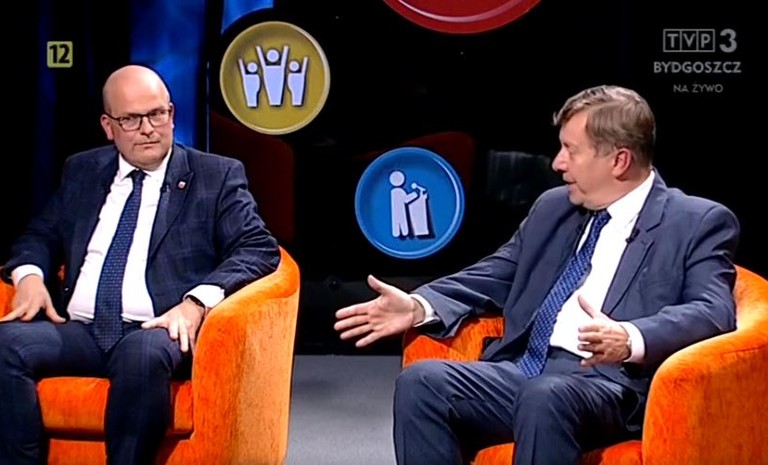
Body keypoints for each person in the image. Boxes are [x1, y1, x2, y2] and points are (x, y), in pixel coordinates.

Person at [334, 85, 739, 465]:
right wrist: (419, 305)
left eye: (570, 151)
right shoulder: (554, 207)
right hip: (525, 371)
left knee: (545, 396)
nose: (557, 163)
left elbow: (713, 310)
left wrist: (630, 337)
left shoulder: (695, 221)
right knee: (422, 383)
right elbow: (498, 272)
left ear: (619, 161)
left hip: (608, 385)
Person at [0, 64, 280, 465]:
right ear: (108, 126)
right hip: (81, 329)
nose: (148, 129)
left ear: (172, 114)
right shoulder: (83, 170)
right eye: (131, 119)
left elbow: (257, 247)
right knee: (7, 345)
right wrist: (29, 276)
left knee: (141, 357)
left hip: (157, 326)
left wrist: (195, 303)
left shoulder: (215, 175)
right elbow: (40, 235)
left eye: (157, 114)